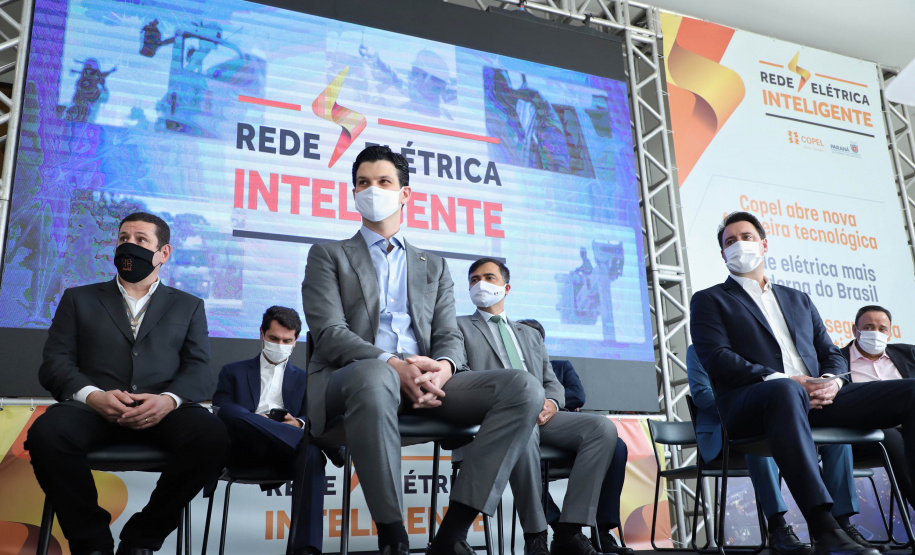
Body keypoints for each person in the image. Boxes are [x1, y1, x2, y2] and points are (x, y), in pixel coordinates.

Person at [300, 145, 543, 555]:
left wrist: (445, 368)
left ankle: (452, 534)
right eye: (362, 182)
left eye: (383, 182)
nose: (371, 189)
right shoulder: (328, 255)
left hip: (429, 384)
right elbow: (329, 334)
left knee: (523, 389)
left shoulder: (434, 265)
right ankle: (393, 537)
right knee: (376, 374)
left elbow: (449, 334)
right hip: (357, 380)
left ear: (405, 193)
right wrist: (392, 363)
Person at [690, 210, 915, 555]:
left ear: (764, 244)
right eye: (730, 242)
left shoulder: (798, 299)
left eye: (746, 237)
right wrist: (787, 380)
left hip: (820, 399)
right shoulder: (710, 300)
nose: (738, 246)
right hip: (755, 404)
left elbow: (832, 353)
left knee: (911, 392)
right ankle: (825, 529)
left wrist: (831, 382)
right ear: (722, 255)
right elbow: (717, 358)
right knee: (786, 389)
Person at [25, 212, 228, 555]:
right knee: (46, 434)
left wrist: (168, 400)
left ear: (164, 253)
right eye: (123, 239)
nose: (129, 246)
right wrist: (93, 397)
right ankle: (92, 543)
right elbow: (55, 364)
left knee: (212, 437)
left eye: (140, 240)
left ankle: (142, 539)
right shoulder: (78, 298)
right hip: (93, 410)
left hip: (162, 412)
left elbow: (200, 369)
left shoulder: (189, 306)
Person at [457, 258, 619, 555]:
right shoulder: (458, 326)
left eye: (489, 277)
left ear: (506, 287)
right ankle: (536, 534)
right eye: (474, 279)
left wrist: (553, 403)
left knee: (602, 429)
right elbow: (462, 377)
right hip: (496, 419)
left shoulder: (529, 334)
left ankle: (569, 530)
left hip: (543, 418)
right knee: (523, 430)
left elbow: (551, 381)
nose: (481, 284)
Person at [686, 345, 882, 554]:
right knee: (757, 431)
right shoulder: (700, 349)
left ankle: (841, 525)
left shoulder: (758, 344)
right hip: (725, 432)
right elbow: (702, 395)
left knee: (836, 438)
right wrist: (751, 408)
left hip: (775, 420)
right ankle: (777, 526)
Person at [213, 306, 327, 555]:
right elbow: (222, 417)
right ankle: (314, 441)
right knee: (230, 412)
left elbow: (312, 415)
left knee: (311, 454)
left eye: (287, 340)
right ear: (262, 334)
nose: (280, 344)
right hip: (245, 449)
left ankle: (305, 551)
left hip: (286, 453)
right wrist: (262, 423)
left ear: (296, 342)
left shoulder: (306, 379)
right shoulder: (233, 371)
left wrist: (298, 424)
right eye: (274, 338)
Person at [518, 318, 632, 555]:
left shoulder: (559, 367)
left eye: (533, 337)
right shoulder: (514, 369)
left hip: (562, 434)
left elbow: (577, 396)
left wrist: (550, 403)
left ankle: (601, 532)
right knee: (523, 453)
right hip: (525, 434)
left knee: (616, 446)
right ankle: (557, 528)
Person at [840, 305, 915, 510]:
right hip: (867, 434)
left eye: (882, 329)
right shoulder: (838, 360)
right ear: (855, 331)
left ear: (890, 332)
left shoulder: (909, 354)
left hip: (909, 428)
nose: (876, 333)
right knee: (890, 437)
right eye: (869, 327)